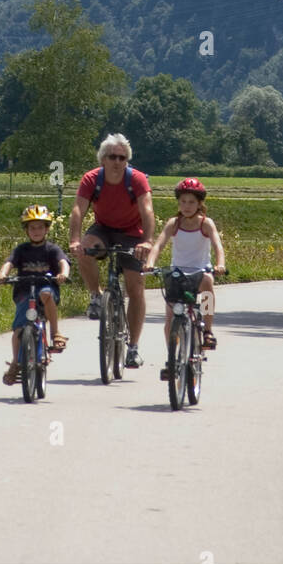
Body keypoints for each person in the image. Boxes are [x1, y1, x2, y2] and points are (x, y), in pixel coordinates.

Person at [68, 134, 155, 368]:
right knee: (85, 250)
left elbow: (147, 211)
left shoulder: (136, 179)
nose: (117, 162)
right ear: (102, 159)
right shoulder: (92, 179)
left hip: (131, 232)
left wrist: (147, 241)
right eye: (112, 157)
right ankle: (96, 296)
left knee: (135, 286)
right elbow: (78, 209)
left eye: (122, 157)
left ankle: (133, 348)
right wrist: (75, 240)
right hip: (104, 228)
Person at [145, 178, 226, 380]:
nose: (186, 206)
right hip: (178, 273)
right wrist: (150, 262)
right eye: (183, 202)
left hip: (200, 271)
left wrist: (220, 264)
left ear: (199, 204)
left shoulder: (205, 224)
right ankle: (171, 360)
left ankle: (207, 330)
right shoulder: (174, 223)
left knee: (208, 281)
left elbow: (217, 246)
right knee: (169, 321)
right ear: (178, 203)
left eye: (191, 202)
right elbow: (159, 245)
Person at [0, 205, 70, 386]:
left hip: (46, 289)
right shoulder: (21, 250)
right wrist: (2, 274)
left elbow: (63, 262)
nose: (36, 231)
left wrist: (63, 274)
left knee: (45, 293)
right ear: (26, 230)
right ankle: (16, 363)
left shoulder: (52, 249)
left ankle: (55, 332)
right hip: (24, 291)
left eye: (40, 227)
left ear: (46, 229)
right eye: (32, 228)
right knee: (19, 330)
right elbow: (9, 263)